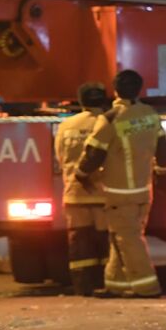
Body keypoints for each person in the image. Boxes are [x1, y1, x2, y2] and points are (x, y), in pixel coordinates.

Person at [76, 69, 166, 297]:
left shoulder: (110, 118)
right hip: (143, 190)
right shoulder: (150, 113)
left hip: (120, 192)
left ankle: (147, 286)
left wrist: (81, 174)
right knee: (120, 235)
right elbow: (163, 150)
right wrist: (164, 174)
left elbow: (94, 154)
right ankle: (116, 283)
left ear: (116, 90)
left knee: (128, 238)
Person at [54, 81, 112, 296]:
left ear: (81, 101)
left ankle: (83, 286)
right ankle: (106, 282)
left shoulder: (66, 125)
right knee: (106, 240)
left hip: (75, 193)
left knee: (80, 241)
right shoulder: (108, 123)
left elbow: (60, 156)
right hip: (105, 193)